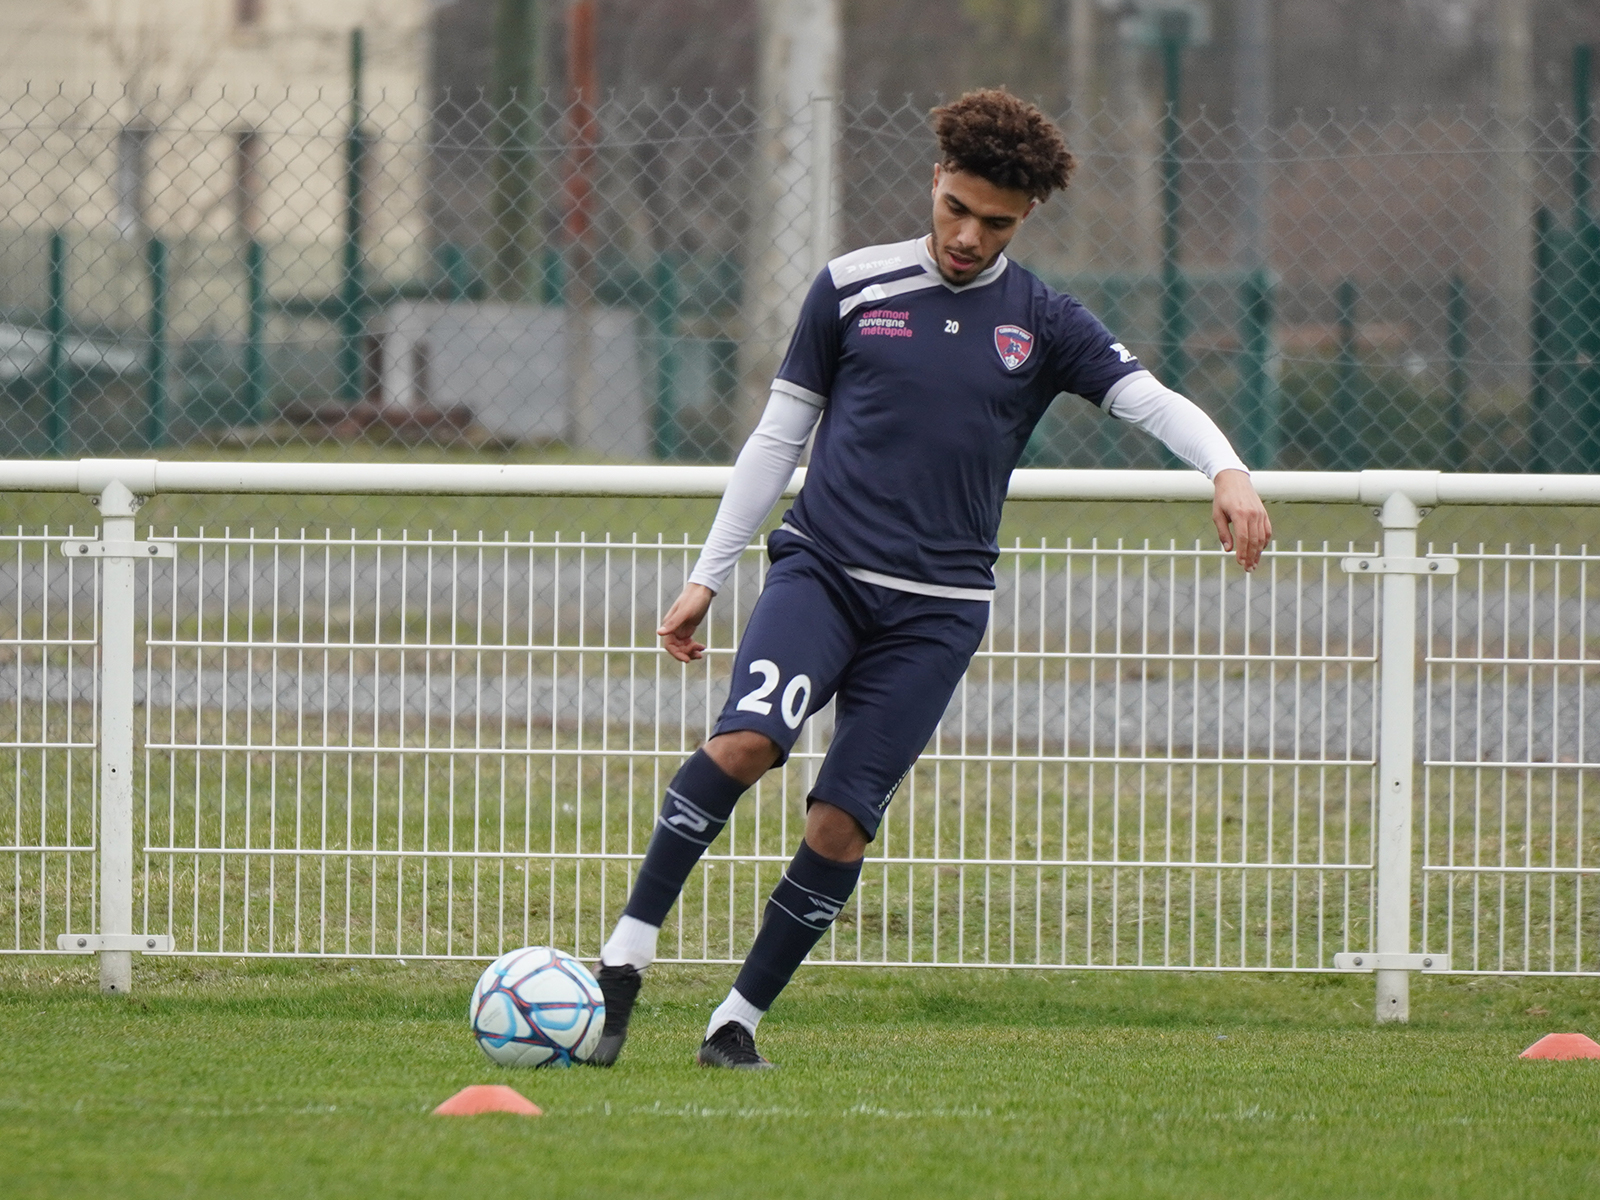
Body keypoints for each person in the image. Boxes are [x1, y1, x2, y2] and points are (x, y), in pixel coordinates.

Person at [591, 88, 1271, 1069]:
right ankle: (625, 956)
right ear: (935, 182)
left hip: (937, 614)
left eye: (993, 222)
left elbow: (1149, 399)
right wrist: (708, 574)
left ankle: (735, 1023)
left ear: (1023, 218)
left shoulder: (1043, 321)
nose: (966, 235)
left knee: (842, 822)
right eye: (956, 208)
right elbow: (778, 435)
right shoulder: (852, 288)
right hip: (819, 573)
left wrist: (1227, 469)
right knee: (745, 742)